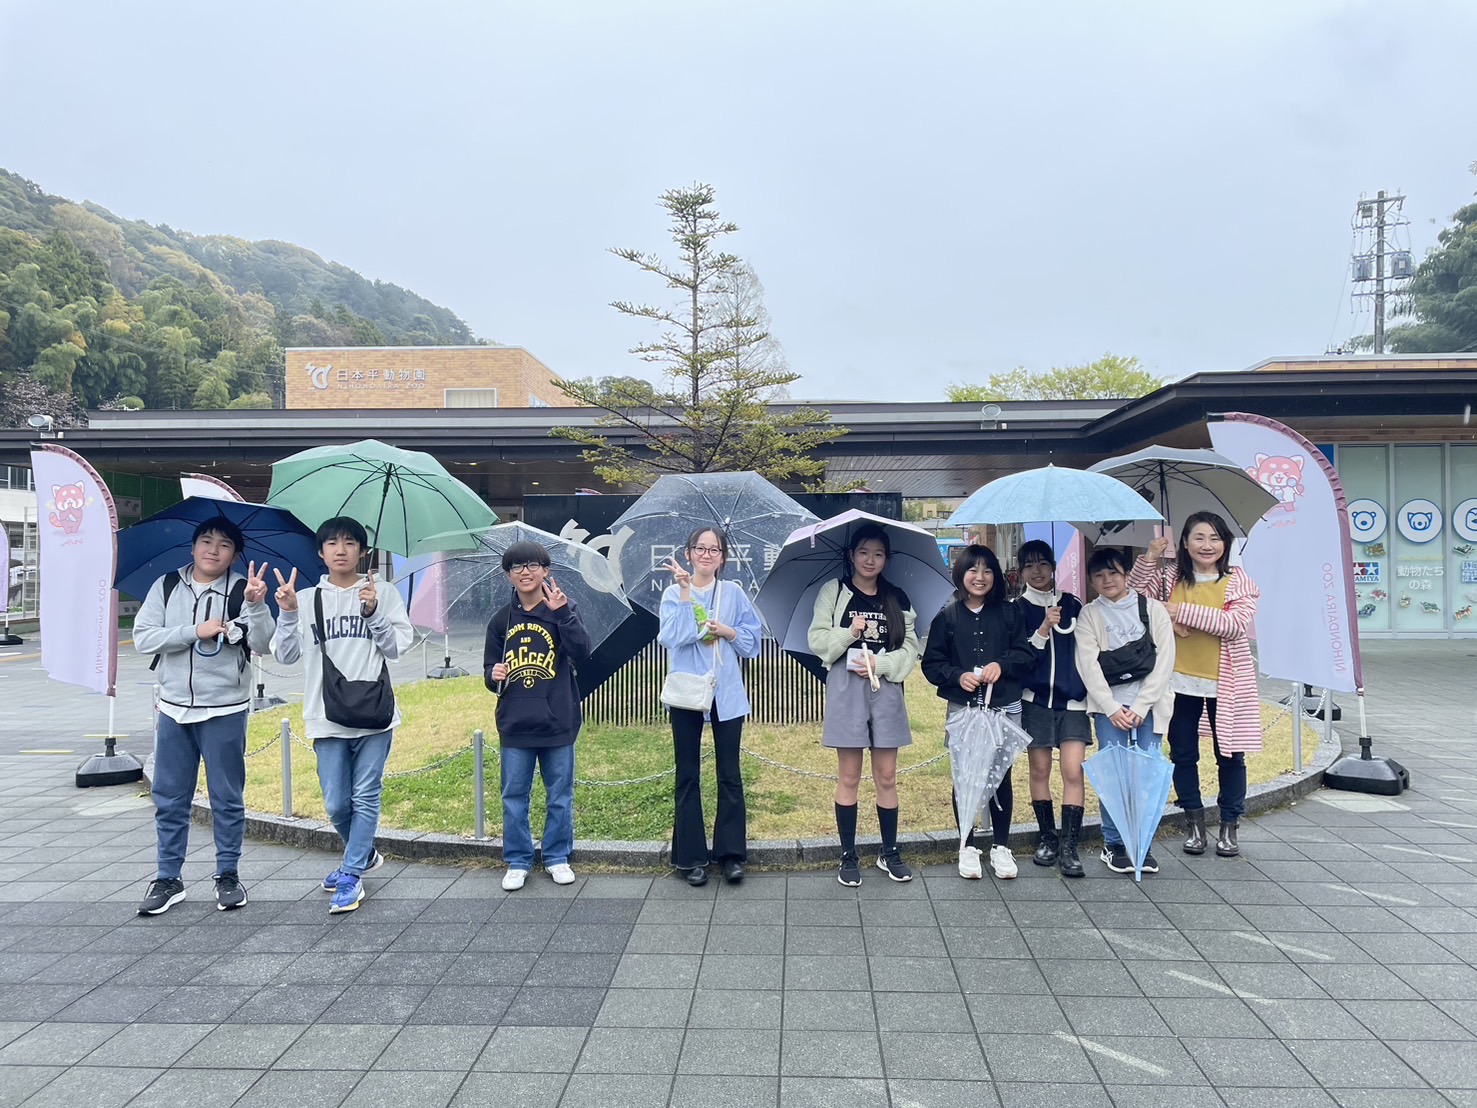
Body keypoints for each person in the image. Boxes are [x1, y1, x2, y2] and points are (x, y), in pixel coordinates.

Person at [133, 517, 275, 915]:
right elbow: (143, 638)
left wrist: (256, 606)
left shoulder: (242, 589)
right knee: (169, 798)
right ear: (193, 546)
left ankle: (227, 874)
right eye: (206, 541)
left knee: (226, 797)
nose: (213, 550)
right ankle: (167, 878)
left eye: (224, 544)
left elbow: (264, 644)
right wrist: (194, 631)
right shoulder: (166, 585)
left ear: (235, 554)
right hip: (173, 709)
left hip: (225, 709)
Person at [271, 516, 413, 913]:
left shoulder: (381, 591)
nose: (340, 549)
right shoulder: (306, 597)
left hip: (374, 713)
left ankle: (351, 874)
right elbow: (285, 655)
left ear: (363, 552)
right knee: (336, 803)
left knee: (366, 795)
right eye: (332, 543)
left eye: (350, 543)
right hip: (325, 713)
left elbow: (397, 646)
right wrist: (285, 613)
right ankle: (363, 853)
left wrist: (373, 613)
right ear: (320, 552)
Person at [1131, 511, 1261, 857]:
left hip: (1226, 685)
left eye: (1215, 538)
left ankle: (1230, 825)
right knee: (1183, 753)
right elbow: (1132, 598)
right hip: (1178, 682)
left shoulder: (1237, 581)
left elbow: (1233, 624)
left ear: (1226, 544)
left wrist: (1176, 612)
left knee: (1230, 756)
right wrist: (1150, 558)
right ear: (1184, 543)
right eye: (1199, 537)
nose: (1207, 545)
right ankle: (1194, 824)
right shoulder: (1170, 576)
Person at [809, 523, 922, 886]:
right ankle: (848, 855)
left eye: (877, 553)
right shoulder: (835, 591)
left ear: (886, 558)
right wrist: (849, 633)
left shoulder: (897, 597)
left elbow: (911, 648)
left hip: (886, 688)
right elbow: (818, 641)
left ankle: (889, 852)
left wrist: (882, 664)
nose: (870, 560)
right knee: (849, 775)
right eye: (863, 552)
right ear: (851, 555)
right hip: (846, 686)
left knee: (887, 776)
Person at [922, 544, 1035, 880]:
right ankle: (966, 845)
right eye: (973, 570)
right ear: (961, 574)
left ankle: (1001, 846)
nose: (980, 577)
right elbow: (932, 664)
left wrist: (1002, 664)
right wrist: (958, 676)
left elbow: (1025, 654)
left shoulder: (1010, 613)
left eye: (987, 570)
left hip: (1004, 708)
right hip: (965, 710)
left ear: (996, 576)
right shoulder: (947, 617)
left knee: (1001, 776)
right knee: (965, 776)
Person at [484, 540, 591, 891]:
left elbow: (582, 651)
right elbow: (489, 669)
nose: (526, 572)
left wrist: (562, 614)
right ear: (508, 575)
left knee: (559, 794)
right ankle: (518, 859)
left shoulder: (563, 607)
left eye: (533, 565)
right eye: (517, 567)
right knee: (514, 794)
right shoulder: (501, 619)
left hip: (558, 719)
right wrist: (493, 674)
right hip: (515, 722)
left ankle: (557, 856)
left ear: (547, 571)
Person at [658, 527, 763, 886]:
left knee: (730, 775)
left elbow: (753, 642)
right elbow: (670, 636)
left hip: (727, 693)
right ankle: (690, 857)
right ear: (688, 553)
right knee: (687, 774)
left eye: (713, 549)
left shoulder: (733, 593)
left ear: (723, 557)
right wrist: (688, 596)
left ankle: (731, 854)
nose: (706, 555)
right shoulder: (674, 593)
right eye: (699, 548)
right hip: (687, 694)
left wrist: (728, 632)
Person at [1075, 548, 1178, 875]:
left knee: (1147, 775)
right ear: (1091, 581)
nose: (1107, 580)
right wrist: (1111, 707)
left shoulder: (1153, 609)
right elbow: (1087, 666)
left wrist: (1142, 705)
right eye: (1099, 575)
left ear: (1125, 574)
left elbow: (1165, 661)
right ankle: (1115, 842)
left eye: (1114, 573)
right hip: (1109, 711)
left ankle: (1142, 841)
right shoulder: (1089, 615)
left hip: (1151, 707)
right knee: (1114, 776)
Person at [1012, 539, 1091, 877]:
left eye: (1043, 563)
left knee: (1073, 770)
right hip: (1036, 703)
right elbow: (1020, 658)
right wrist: (1043, 627)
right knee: (1040, 770)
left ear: (1054, 565)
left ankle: (1070, 845)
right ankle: (1048, 837)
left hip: (1074, 702)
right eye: (1029, 565)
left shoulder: (1074, 604)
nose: (1037, 571)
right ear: (1021, 571)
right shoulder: (1017, 609)